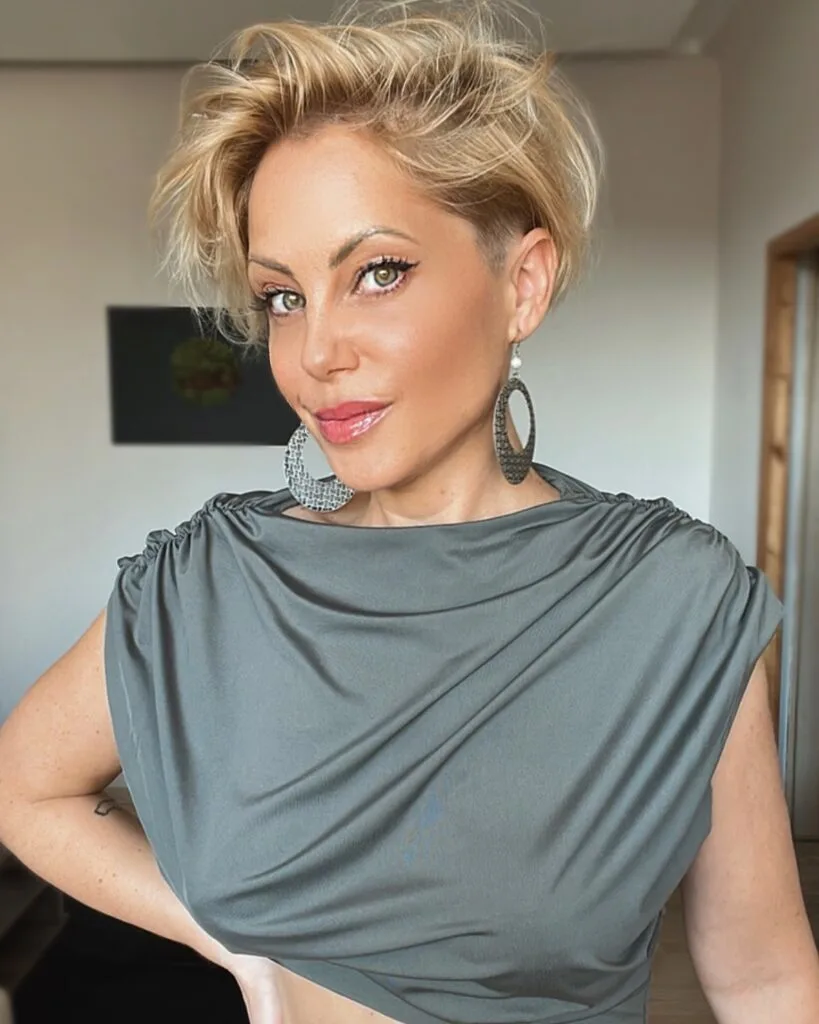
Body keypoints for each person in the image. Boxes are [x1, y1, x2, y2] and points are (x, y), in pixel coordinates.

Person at [1, 2, 818, 1022]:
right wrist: (236, 949)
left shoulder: (676, 599)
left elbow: (764, 980)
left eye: (377, 273)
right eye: (283, 296)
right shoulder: (207, 583)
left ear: (522, 285)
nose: (315, 352)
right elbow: (25, 789)